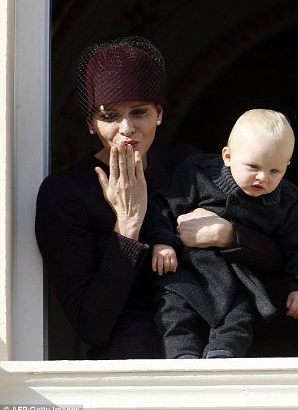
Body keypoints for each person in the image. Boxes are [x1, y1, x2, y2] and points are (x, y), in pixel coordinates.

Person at [35, 36, 283, 359]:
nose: (127, 128)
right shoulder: (66, 194)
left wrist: (227, 235)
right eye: (109, 116)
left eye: (140, 112)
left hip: (216, 353)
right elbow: (91, 326)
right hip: (134, 370)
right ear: (91, 124)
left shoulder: (188, 166)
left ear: (160, 113)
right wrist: (127, 230)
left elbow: (277, 258)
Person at [147, 109, 298, 359]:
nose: (263, 177)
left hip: (239, 275)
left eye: (275, 171)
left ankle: (223, 354)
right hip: (186, 268)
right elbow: (163, 206)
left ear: (287, 166)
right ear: (228, 156)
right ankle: (181, 358)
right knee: (173, 311)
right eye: (253, 166)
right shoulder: (199, 174)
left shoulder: (287, 199)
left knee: (240, 316)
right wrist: (162, 243)